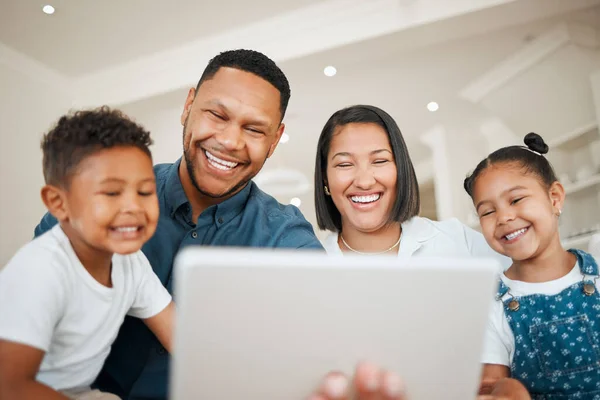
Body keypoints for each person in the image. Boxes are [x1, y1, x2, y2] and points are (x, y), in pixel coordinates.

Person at [33, 49, 323, 399]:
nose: (230, 141)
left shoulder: (285, 239)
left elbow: (313, 349)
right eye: (217, 114)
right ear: (188, 107)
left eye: (254, 129)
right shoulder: (101, 200)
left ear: (274, 140)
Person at [0, 108, 174, 400]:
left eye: (145, 192)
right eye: (111, 193)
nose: (134, 207)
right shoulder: (39, 271)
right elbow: (9, 386)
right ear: (58, 203)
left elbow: (179, 334)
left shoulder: (131, 263)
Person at [464, 132, 600, 398]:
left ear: (555, 198)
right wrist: (504, 389)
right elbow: (490, 386)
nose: (504, 217)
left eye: (516, 200)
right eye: (488, 211)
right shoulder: (491, 306)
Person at [314, 104, 508, 265]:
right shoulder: (314, 262)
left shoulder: (457, 242)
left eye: (380, 161)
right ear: (325, 178)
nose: (364, 182)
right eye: (345, 164)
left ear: (401, 168)